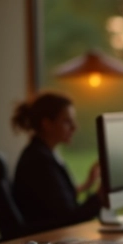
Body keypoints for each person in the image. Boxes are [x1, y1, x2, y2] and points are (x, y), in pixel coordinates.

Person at [11, 91, 101, 233]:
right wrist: (100, 197)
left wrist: (86, 185)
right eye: (67, 121)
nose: (74, 127)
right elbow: (69, 218)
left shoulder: (43, 153)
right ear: (47, 124)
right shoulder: (39, 162)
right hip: (47, 241)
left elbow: (57, 201)